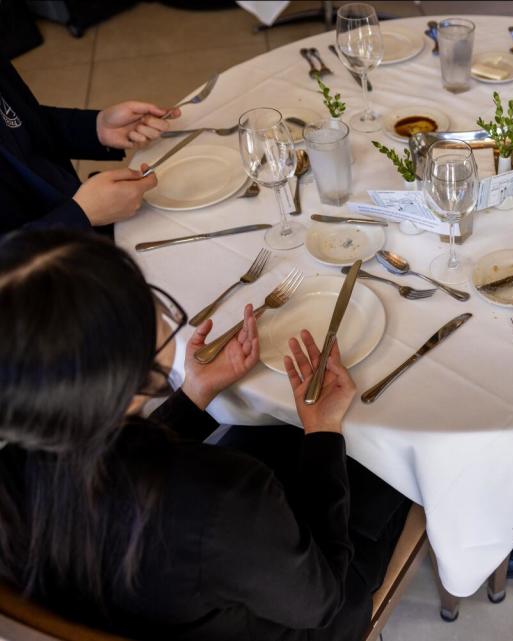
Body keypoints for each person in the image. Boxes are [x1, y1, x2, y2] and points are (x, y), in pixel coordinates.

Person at [0, 230, 409, 640]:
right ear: (118, 368)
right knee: (389, 459)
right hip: (308, 611)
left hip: (158, 601)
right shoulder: (227, 495)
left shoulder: (15, 470)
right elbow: (323, 603)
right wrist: (322, 431)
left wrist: (194, 395)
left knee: (269, 432)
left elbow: (103, 465)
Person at [0, 55, 178, 236]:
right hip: (52, 252)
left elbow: (21, 122)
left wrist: (96, 127)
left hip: (79, 215)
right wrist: (79, 215)